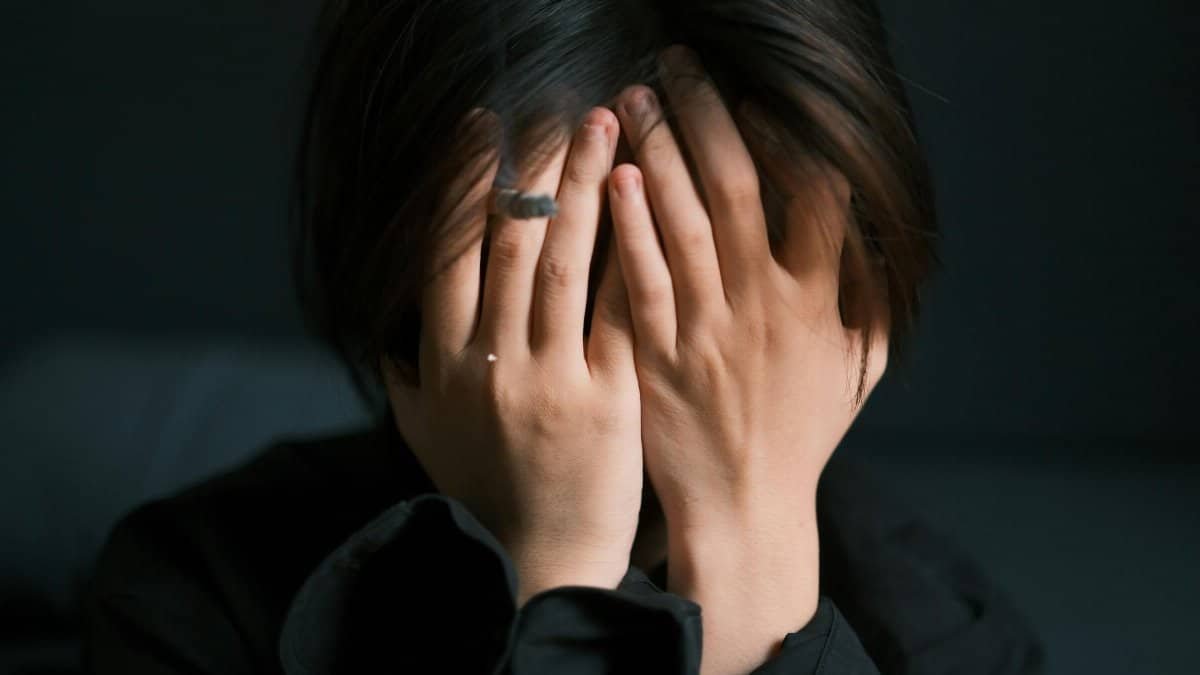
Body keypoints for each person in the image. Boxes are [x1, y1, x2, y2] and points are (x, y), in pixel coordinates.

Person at [84, 1, 1045, 673]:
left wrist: (753, 550)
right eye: (539, 278)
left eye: (721, 292)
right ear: (407, 290)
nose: (614, 381)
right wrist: (552, 565)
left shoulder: (939, 629)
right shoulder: (193, 599)